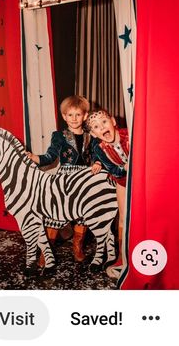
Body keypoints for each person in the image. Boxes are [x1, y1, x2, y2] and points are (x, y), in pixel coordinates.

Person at [27, 95, 101, 267]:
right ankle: (47, 251)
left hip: (84, 179)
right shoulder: (59, 136)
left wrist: (97, 162)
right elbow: (50, 156)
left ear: (84, 116)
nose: (74, 119)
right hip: (64, 179)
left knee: (83, 215)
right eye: (70, 115)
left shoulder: (92, 136)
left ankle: (77, 246)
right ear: (64, 116)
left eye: (78, 115)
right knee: (55, 214)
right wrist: (34, 157)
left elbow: (98, 154)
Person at [86, 109, 129, 278]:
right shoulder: (99, 149)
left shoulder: (129, 134)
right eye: (96, 126)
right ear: (93, 133)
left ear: (113, 121)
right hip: (123, 181)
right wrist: (126, 167)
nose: (102, 127)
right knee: (124, 216)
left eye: (104, 122)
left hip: (142, 179)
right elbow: (113, 170)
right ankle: (123, 257)